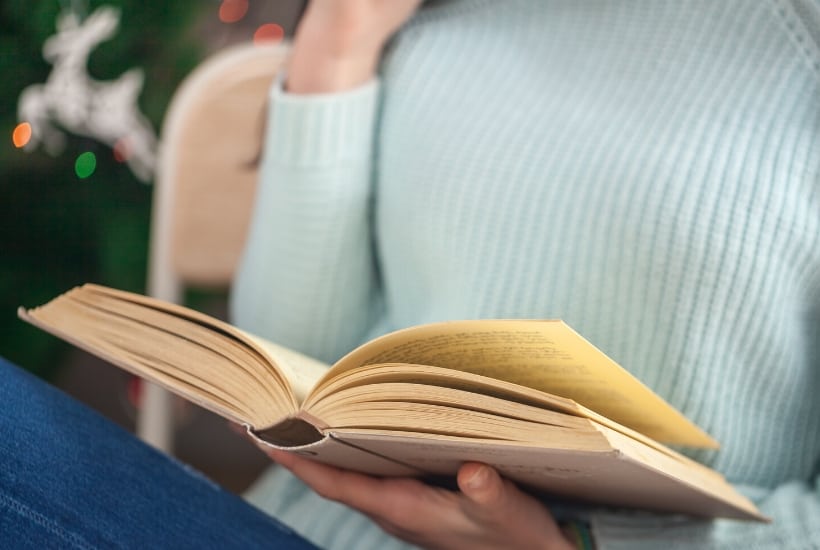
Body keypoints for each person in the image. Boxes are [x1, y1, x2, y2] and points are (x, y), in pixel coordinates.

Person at [229, 0, 820, 549]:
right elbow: (289, 384)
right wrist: (338, 46)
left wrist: (571, 544)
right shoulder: (415, 14)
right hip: (305, 524)